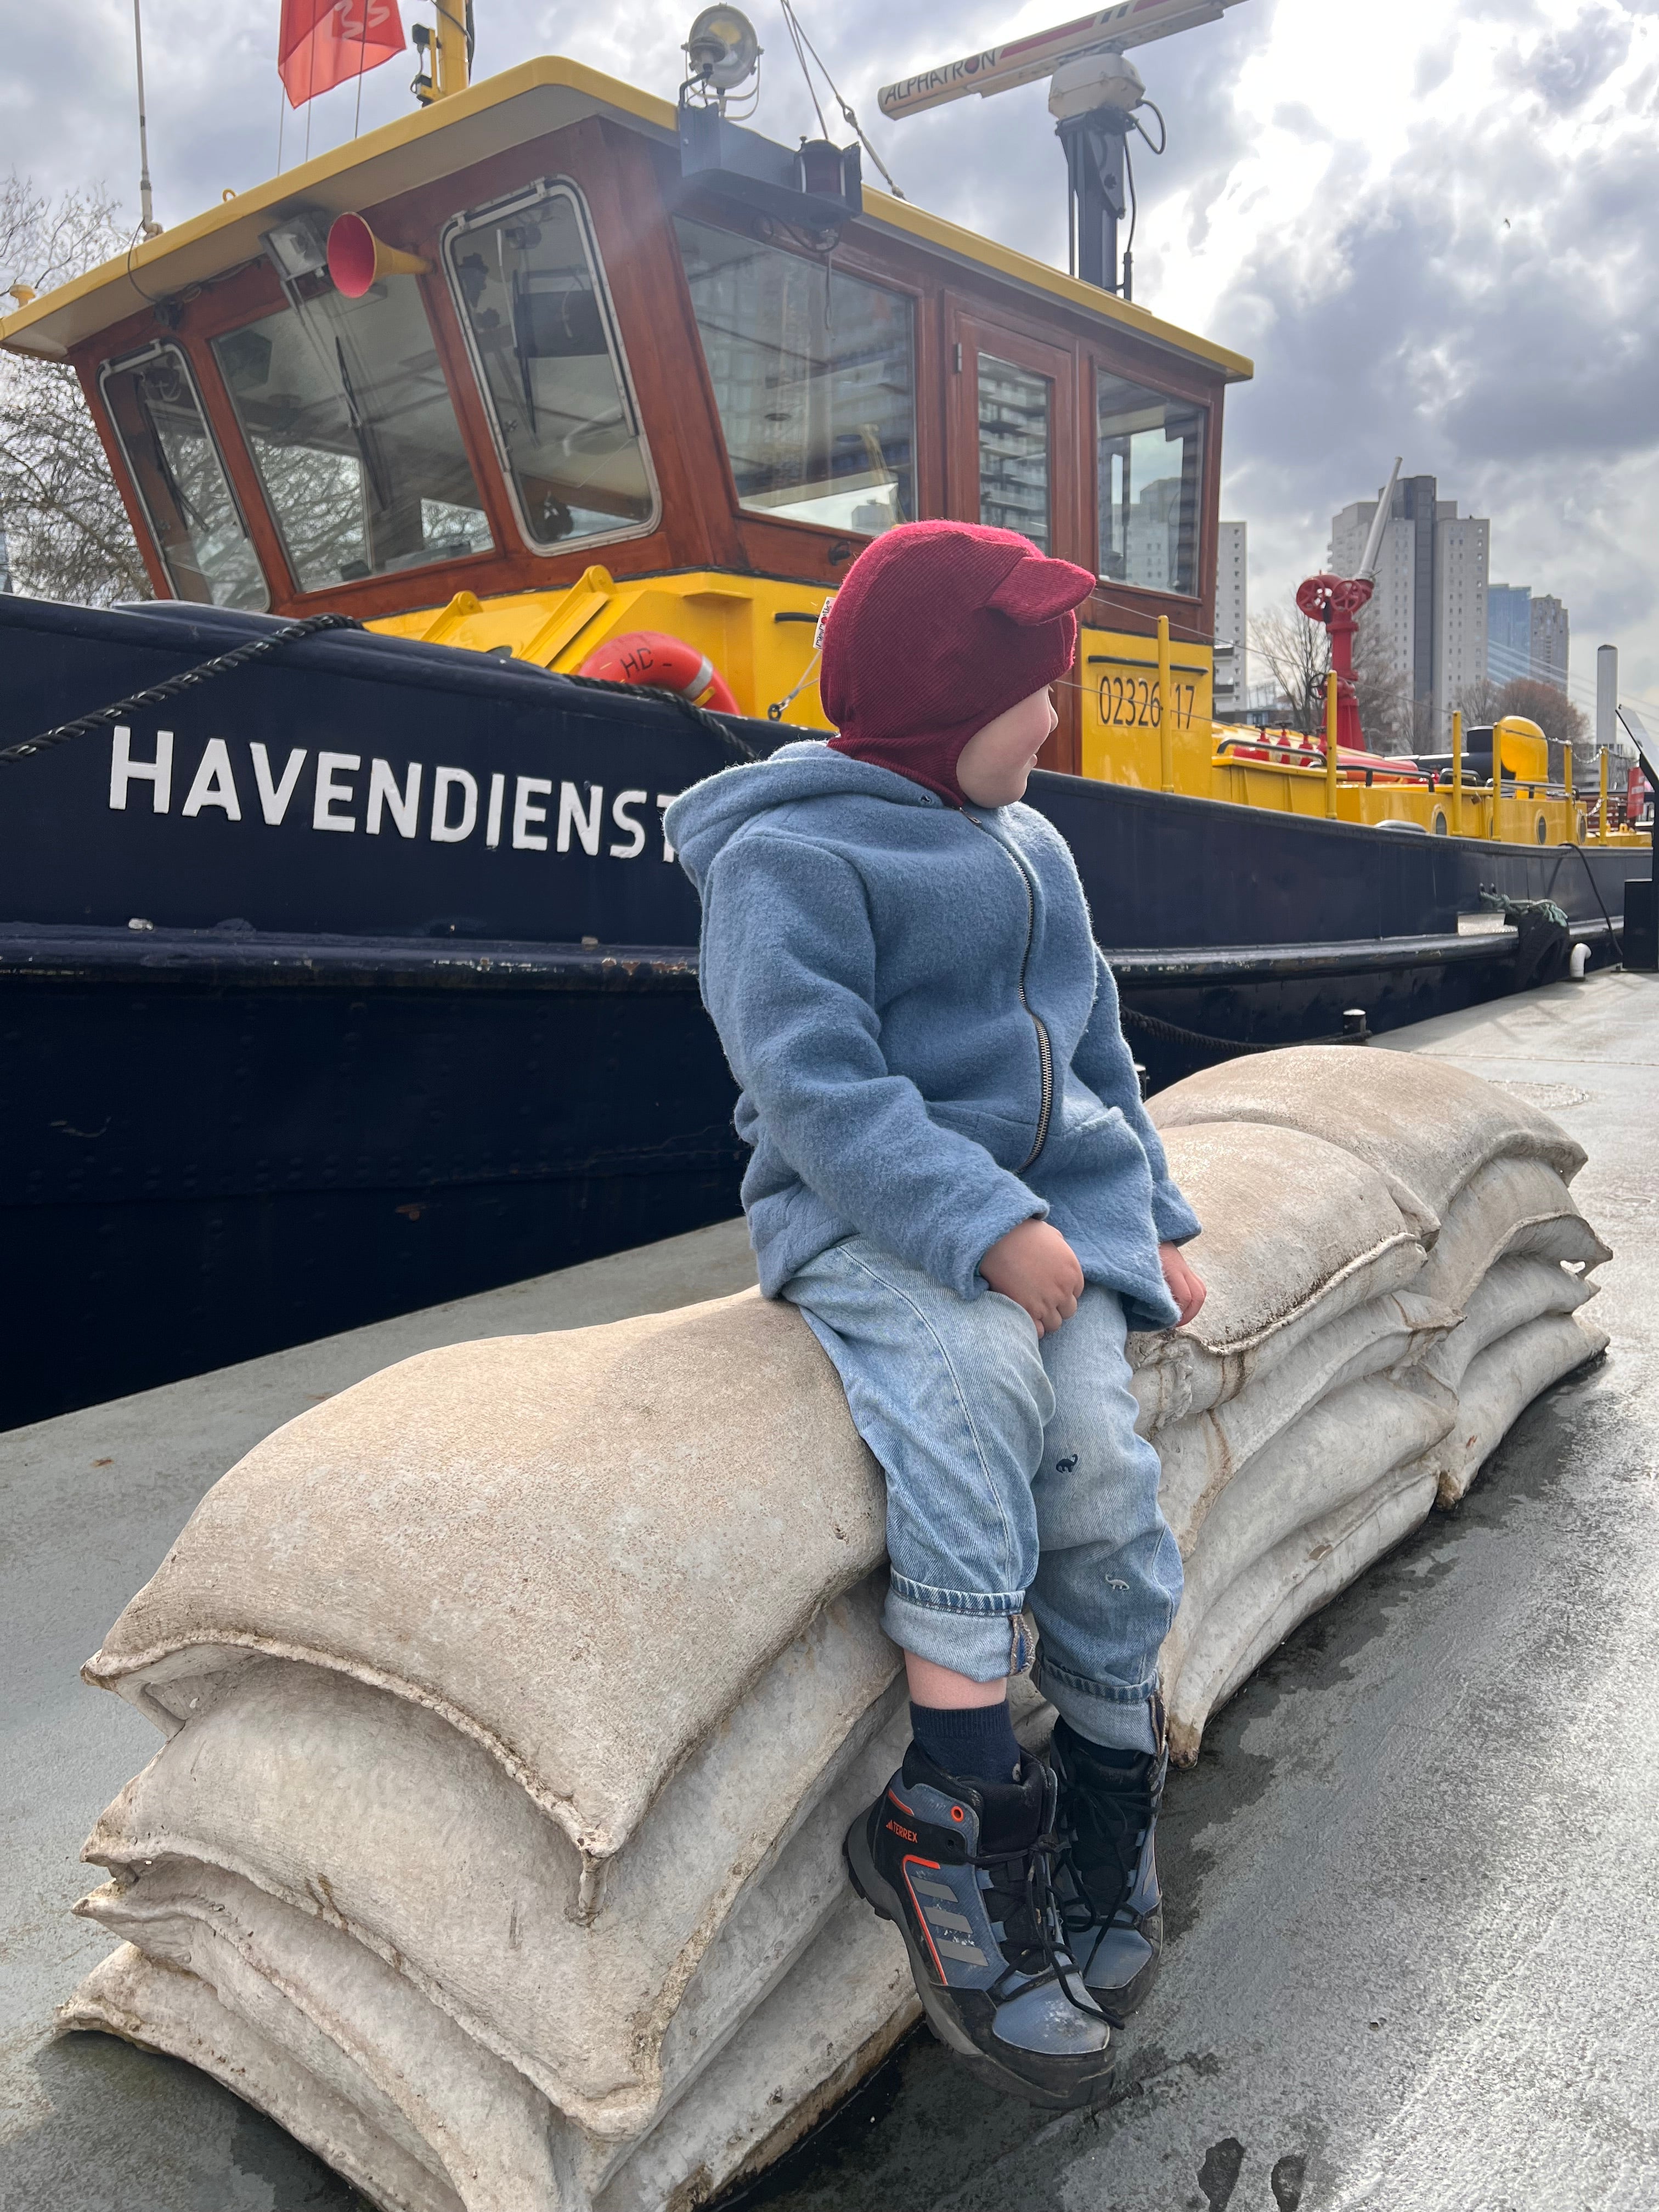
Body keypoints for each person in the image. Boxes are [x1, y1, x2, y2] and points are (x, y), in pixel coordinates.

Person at [664, 519, 1205, 2111]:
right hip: (871, 1218)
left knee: (1102, 1467)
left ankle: (1109, 1794)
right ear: (940, 701)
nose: (1055, 721)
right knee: (977, 1391)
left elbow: (1098, 1049)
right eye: (1032, 694)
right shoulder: (788, 861)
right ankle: (952, 1812)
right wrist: (980, 1230)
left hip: (1060, 1217)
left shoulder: (1035, 842)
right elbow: (814, 1086)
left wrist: (1154, 1214)